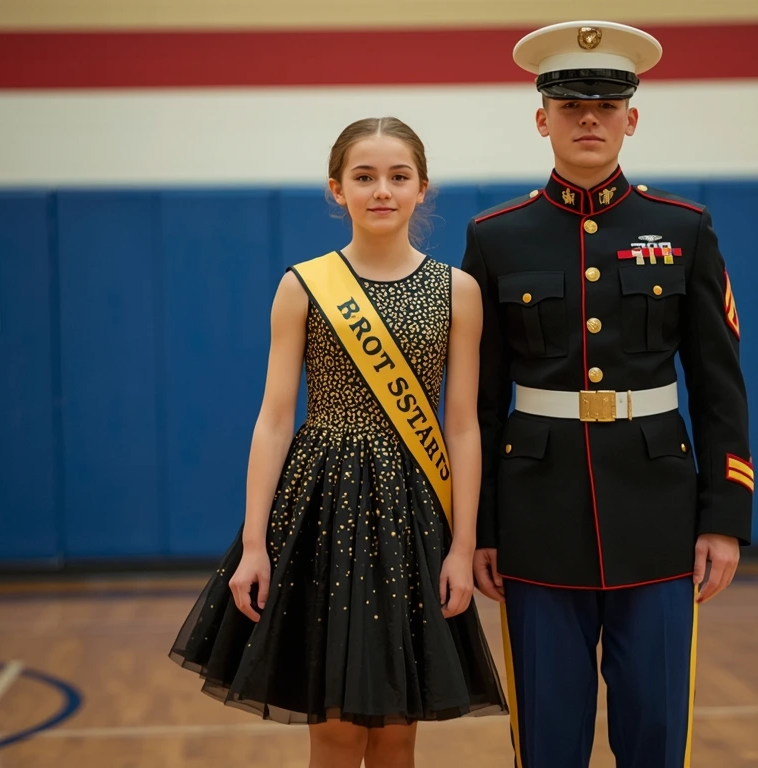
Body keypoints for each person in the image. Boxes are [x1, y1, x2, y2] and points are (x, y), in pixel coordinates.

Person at [169, 116, 508, 768]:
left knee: (397, 732)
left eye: (398, 176)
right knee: (334, 730)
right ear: (337, 189)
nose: (382, 190)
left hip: (414, 512)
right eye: (364, 176)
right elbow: (273, 420)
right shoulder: (302, 285)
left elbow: (462, 426)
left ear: (422, 188)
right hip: (323, 507)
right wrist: (255, 544)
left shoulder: (457, 291)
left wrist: (462, 547)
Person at [461, 20, 754, 768]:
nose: (588, 119)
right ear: (541, 119)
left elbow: (720, 387)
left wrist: (725, 518)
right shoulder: (497, 238)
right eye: (568, 106)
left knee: (656, 737)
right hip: (536, 520)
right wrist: (482, 525)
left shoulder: (683, 230)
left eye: (606, 104)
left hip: (658, 514)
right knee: (549, 742)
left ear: (632, 117)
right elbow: (480, 404)